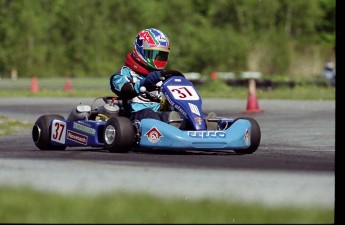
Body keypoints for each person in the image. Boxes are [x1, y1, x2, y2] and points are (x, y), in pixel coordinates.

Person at [109, 28, 183, 128]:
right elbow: (124, 89)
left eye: (161, 55)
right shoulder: (124, 74)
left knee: (177, 115)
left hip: (163, 113)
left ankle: (200, 126)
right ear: (140, 51)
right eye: (154, 54)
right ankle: (162, 131)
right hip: (135, 117)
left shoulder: (164, 76)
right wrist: (144, 82)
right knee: (149, 114)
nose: (158, 58)